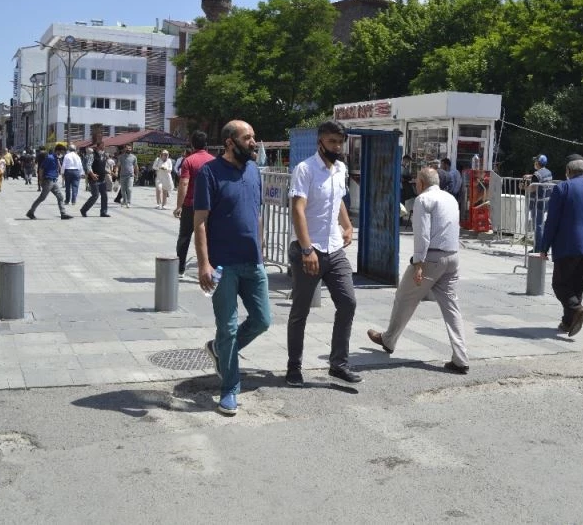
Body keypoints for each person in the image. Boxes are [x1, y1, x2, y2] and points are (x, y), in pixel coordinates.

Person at [194, 120, 271, 415]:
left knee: (262, 320)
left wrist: (260, 249)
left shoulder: (253, 171)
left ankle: (220, 350)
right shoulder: (209, 172)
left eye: (254, 136)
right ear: (230, 142)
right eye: (247, 137)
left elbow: (257, 212)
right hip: (223, 265)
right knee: (227, 327)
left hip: (253, 262)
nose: (253, 142)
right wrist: (204, 263)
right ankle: (229, 389)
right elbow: (200, 222)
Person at [367, 167, 469, 373]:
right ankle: (461, 357)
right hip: (452, 256)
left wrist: (418, 263)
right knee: (451, 308)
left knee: (404, 297)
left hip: (431, 258)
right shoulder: (450, 198)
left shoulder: (423, 200)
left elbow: (422, 235)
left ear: (421, 183)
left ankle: (389, 339)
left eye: (416, 182)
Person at [286, 120, 361, 387]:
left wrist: (347, 225)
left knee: (348, 303)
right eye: (332, 141)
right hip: (309, 248)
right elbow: (298, 209)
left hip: (334, 248)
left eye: (340, 142)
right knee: (301, 311)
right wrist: (307, 249)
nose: (337, 147)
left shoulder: (340, 169)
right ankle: (294, 367)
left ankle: (338, 364)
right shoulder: (305, 169)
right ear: (320, 142)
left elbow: (338, 200)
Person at [539, 154, 583, 336]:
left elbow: (552, 220)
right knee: (577, 286)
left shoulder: (562, 188)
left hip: (567, 243)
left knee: (560, 284)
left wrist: (544, 246)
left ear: (568, 170)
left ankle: (577, 310)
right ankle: (568, 322)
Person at [174, 131, 214, 278]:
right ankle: (210, 268)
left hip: (190, 205)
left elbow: (184, 183)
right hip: (209, 206)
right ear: (206, 144)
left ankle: (180, 269)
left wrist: (179, 206)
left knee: (184, 237)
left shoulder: (188, 161)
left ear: (192, 144)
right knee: (209, 237)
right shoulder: (213, 161)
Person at [26, 143, 72, 220]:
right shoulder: (50, 158)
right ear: (58, 151)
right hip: (48, 180)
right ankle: (30, 212)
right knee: (42, 198)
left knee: (60, 197)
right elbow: (41, 168)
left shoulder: (56, 158)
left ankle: (63, 214)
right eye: (62, 152)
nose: (62, 154)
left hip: (53, 180)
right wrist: (40, 180)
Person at [526, 154, 553, 253]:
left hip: (537, 202)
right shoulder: (548, 172)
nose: (534, 163)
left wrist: (524, 187)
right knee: (542, 225)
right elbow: (541, 180)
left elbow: (533, 188)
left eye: (535, 161)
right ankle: (543, 247)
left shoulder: (537, 174)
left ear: (538, 163)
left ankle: (538, 249)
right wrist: (531, 176)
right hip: (545, 201)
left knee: (537, 226)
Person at [80, 142, 111, 218]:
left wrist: (110, 172)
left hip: (102, 179)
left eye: (104, 147)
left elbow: (104, 167)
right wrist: (92, 174)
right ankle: (83, 210)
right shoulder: (92, 155)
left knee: (104, 195)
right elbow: (88, 165)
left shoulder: (104, 156)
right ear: (97, 147)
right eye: (101, 147)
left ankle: (103, 212)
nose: (103, 148)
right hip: (94, 179)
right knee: (95, 195)